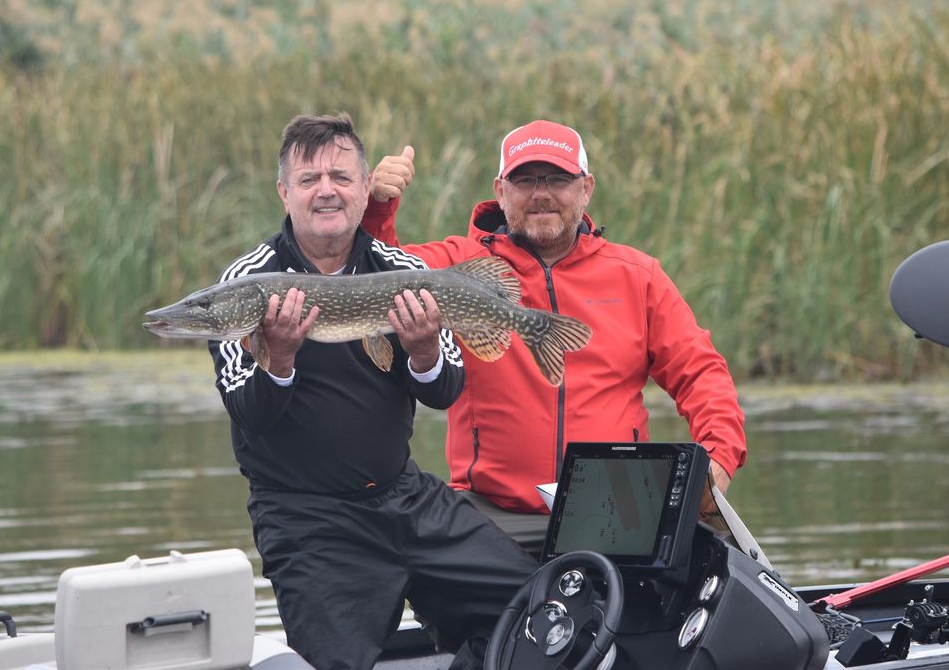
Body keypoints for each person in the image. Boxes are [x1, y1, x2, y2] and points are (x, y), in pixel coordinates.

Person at [208, 113, 537, 670]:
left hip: (404, 495)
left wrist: (425, 350)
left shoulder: (402, 268)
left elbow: (445, 392)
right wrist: (280, 356)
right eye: (309, 179)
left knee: (539, 609)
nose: (326, 191)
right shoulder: (246, 285)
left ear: (365, 191)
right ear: (284, 192)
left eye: (340, 176)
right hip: (307, 518)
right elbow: (251, 415)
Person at [361, 120, 747, 554]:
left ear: (586, 189)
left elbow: (701, 373)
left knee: (710, 572)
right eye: (525, 180)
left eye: (559, 179)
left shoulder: (637, 277)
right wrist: (376, 207)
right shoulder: (458, 265)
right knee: (431, 569)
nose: (541, 193)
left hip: (614, 506)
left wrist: (717, 460)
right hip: (490, 510)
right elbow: (377, 277)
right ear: (500, 191)